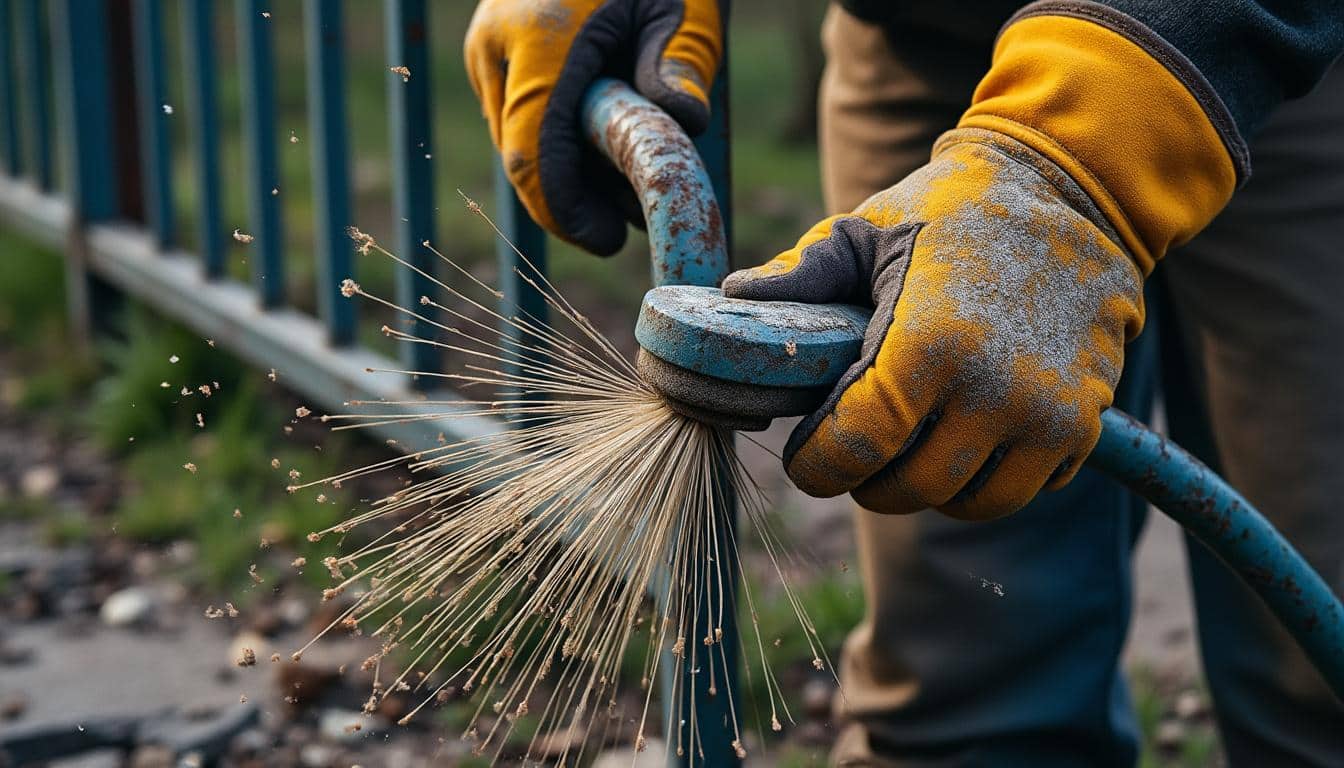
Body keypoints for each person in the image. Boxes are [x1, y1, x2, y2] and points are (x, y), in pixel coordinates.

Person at [465, 1, 1344, 764]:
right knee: (961, 673)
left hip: (1282, 63)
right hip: (926, 41)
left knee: (1319, 653)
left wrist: (1066, 167)